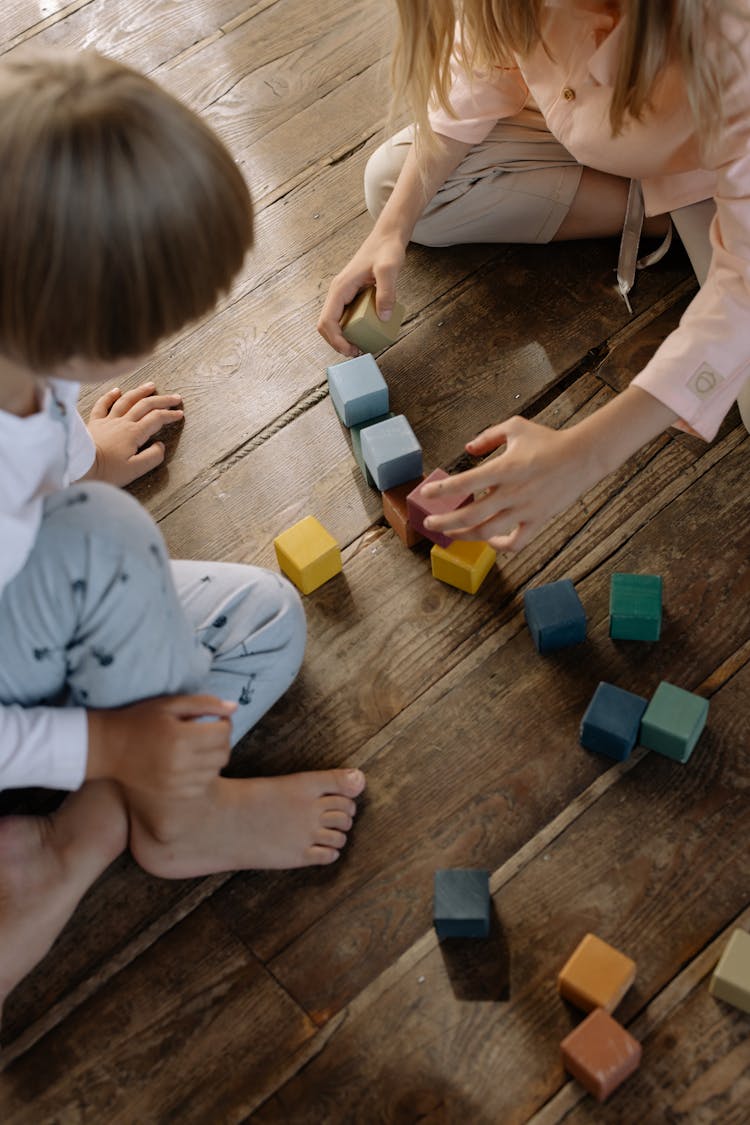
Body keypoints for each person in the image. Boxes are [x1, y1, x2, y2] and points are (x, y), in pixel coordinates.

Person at [0, 49, 365, 1019]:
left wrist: (75, 450)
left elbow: (36, 428)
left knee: (265, 618)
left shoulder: (19, 321)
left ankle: (103, 810)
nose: (165, 337)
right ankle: (165, 822)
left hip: (27, 627)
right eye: (153, 322)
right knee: (105, 539)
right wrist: (107, 749)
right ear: (69, 320)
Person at [318, 0, 750, 553]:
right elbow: (479, 67)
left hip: (717, 160)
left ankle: (705, 218)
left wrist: (584, 453)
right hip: (612, 135)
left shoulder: (725, 33)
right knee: (392, 187)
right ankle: (662, 216)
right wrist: (389, 232)